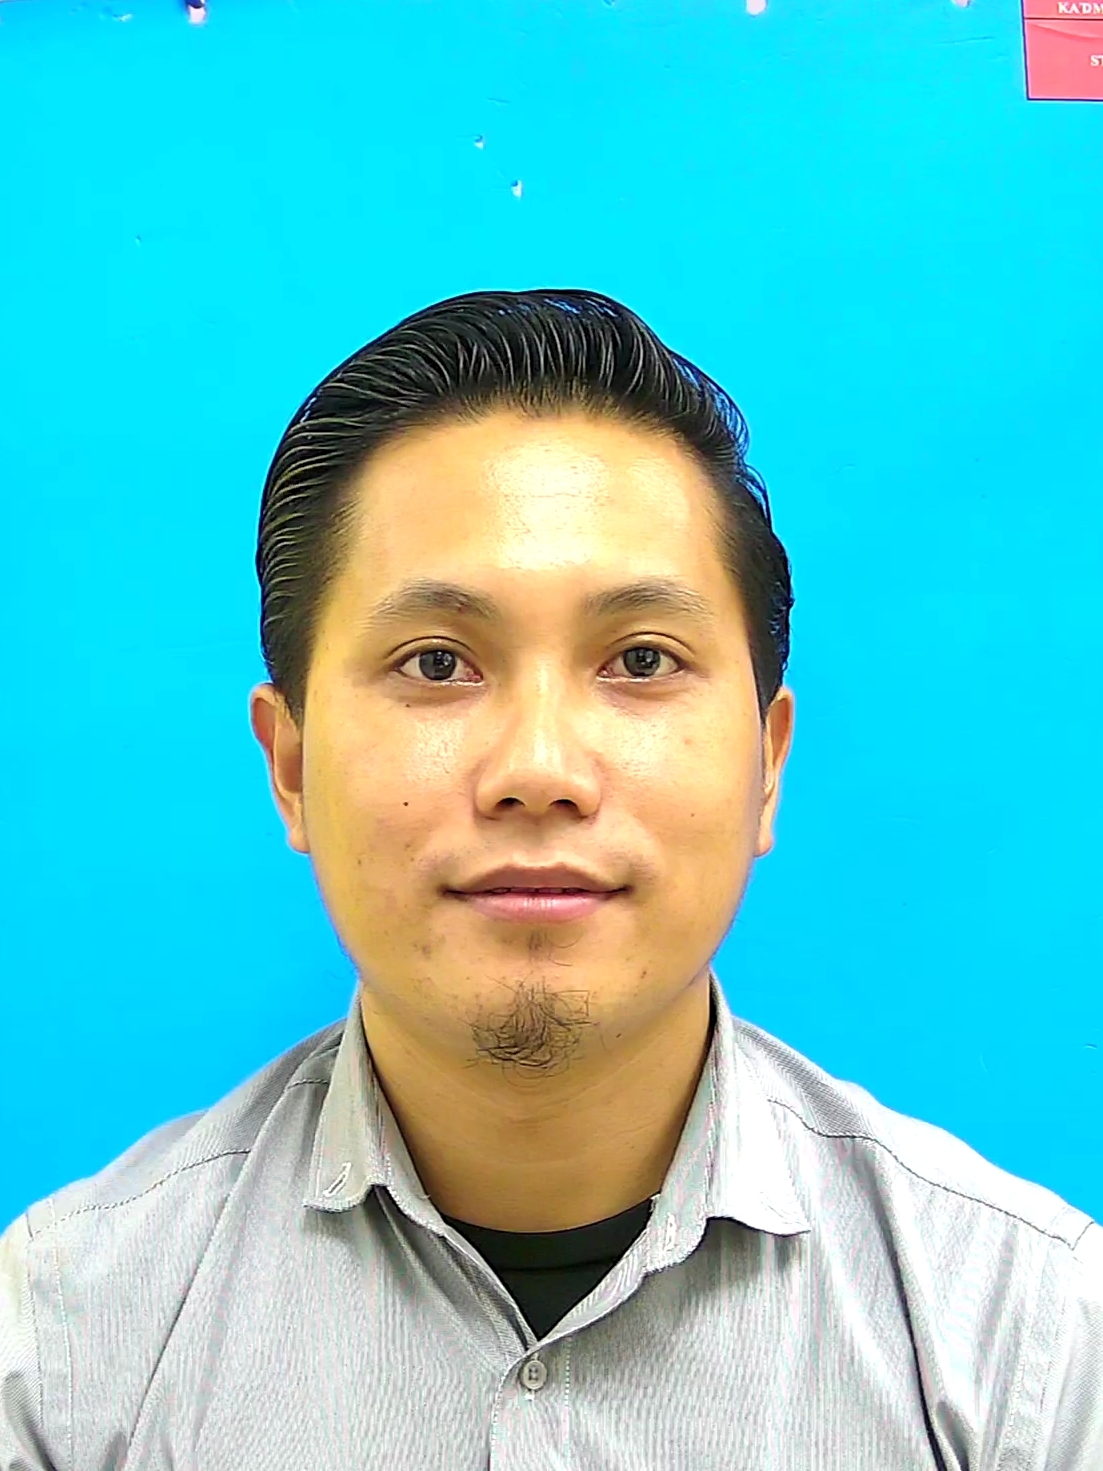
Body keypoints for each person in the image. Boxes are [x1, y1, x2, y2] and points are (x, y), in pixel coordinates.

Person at [1, 288, 1099, 1468]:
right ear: (292, 767)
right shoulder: (64, 1355)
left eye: (640, 658)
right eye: (437, 663)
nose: (537, 771)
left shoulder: (1027, 1348)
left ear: (766, 765)